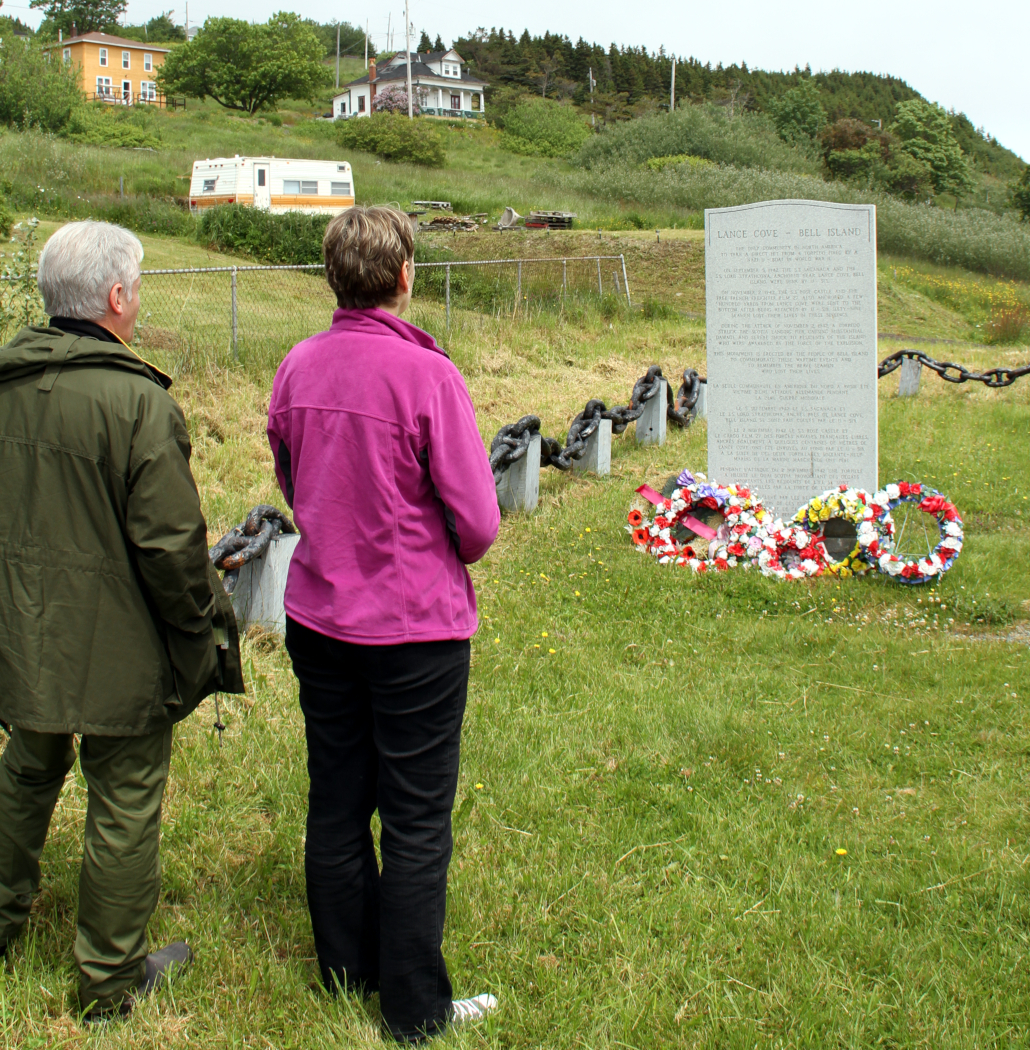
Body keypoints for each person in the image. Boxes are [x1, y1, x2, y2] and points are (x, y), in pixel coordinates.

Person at [0, 220, 244, 1020]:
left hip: (19, 635)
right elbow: (173, 551)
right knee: (126, 794)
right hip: (115, 647)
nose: (139, 300)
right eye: (136, 287)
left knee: (25, 771)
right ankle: (108, 981)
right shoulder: (139, 405)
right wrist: (207, 629)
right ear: (115, 297)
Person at [267, 205, 500, 1043]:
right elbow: (477, 523)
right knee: (413, 817)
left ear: (333, 277)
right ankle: (414, 1006)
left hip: (321, 616)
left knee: (335, 797)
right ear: (405, 275)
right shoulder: (428, 376)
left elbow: (296, 483)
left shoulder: (297, 366)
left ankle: (344, 971)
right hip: (413, 631)